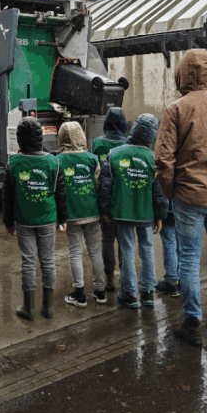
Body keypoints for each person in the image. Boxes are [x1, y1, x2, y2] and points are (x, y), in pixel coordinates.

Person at [155, 49, 207, 346]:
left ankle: (192, 323)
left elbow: (163, 160)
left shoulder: (176, 109)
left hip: (188, 196)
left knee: (188, 258)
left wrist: (171, 192)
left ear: (183, 74)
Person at [99, 113, 168, 310]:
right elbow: (159, 190)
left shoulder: (114, 154)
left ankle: (129, 294)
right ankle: (147, 292)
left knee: (127, 249)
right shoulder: (153, 159)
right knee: (147, 249)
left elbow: (105, 186)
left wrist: (105, 211)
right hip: (146, 214)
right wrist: (160, 215)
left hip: (122, 212)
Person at [3, 116, 68, 321]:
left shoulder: (13, 163)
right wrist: (62, 220)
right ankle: (48, 308)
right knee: (48, 262)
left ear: (20, 140)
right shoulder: (53, 162)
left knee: (28, 262)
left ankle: (28, 309)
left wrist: (8, 222)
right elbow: (61, 194)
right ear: (41, 139)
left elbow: (8, 197)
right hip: (48, 218)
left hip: (23, 220)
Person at [57, 120, 106, 307]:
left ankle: (79, 293)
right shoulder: (91, 158)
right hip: (92, 211)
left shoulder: (58, 160)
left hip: (71, 214)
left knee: (75, 252)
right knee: (94, 250)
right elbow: (98, 184)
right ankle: (100, 292)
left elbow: (58, 190)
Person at [92, 107, 128, 291]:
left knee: (107, 238)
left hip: (104, 198)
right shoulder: (129, 144)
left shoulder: (97, 144)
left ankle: (109, 279)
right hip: (124, 201)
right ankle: (124, 277)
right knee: (124, 240)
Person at [155, 201, 181, 297]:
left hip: (169, 209)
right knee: (181, 245)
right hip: (184, 209)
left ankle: (172, 281)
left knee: (170, 244)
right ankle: (182, 280)